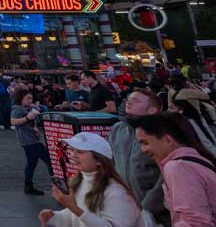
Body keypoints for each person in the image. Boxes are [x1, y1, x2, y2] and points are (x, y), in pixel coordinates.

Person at [38, 132, 140, 227]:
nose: (72, 155)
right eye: (72, 150)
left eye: (80, 152)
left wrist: (74, 208)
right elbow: (75, 218)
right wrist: (54, 217)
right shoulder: (79, 181)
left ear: (99, 160)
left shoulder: (116, 191)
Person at [133, 113, 216, 227]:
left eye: (145, 143)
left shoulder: (178, 168)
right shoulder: (196, 160)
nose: (143, 150)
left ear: (168, 140)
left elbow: (195, 222)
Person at [107, 88, 166, 221]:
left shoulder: (162, 134)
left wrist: (150, 203)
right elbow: (109, 160)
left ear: (152, 110)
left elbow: (167, 173)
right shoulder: (118, 129)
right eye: (129, 99)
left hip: (157, 208)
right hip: (125, 203)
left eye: (136, 101)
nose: (129, 102)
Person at [12, 89, 53, 195]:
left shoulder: (27, 108)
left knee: (31, 163)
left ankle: (28, 186)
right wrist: (27, 117)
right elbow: (13, 121)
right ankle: (57, 185)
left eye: (31, 98)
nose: (30, 100)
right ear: (21, 98)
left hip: (29, 140)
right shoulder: (17, 109)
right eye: (28, 98)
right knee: (49, 160)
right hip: (29, 141)